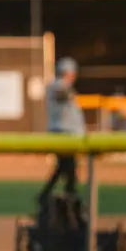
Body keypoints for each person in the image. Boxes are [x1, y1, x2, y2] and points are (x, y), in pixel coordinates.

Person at [40, 57, 86, 198]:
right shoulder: (59, 85)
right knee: (68, 168)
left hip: (66, 134)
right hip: (62, 134)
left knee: (65, 167)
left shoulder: (62, 86)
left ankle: (48, 195)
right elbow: (61, 91)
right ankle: (66, 196)